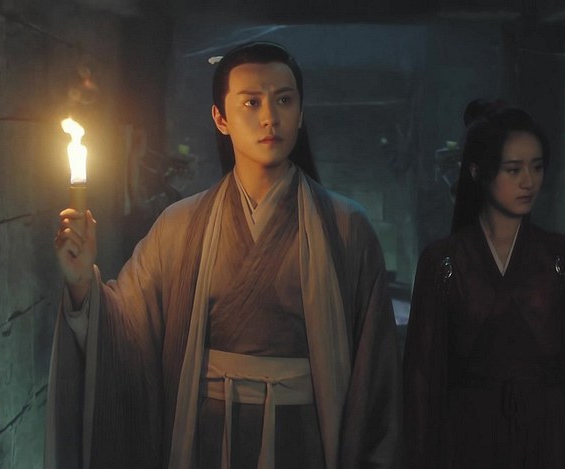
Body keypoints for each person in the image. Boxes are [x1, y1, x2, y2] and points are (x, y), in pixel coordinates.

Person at [48, 41, 402, 469]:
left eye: (284, 100)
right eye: (251, 102)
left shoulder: (346, 227)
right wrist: (82, 283)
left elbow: (376, 370)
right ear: (221, 118)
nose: (270, 117)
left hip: (306, 439)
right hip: (206, 438)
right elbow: (127, 332)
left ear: (301, 113)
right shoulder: (180, 226)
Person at [403, 100, 565, 468]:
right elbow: (423, 375)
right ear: (477, 172)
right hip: (470, 436)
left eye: (537, 167)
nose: (528, 182)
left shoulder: (563, 257)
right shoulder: (443, 261)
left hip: (552, 436)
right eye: (513, 169)